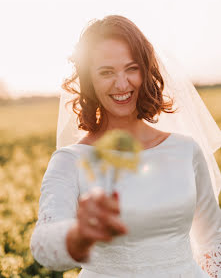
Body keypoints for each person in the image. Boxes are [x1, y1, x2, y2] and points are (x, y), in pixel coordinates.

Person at [30, 15, 221, 277]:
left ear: (146, 70)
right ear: (89, 80)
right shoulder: (69, 161)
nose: (122, 84)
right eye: (106, 72)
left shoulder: (186, 150)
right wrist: (79, 235)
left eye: (132, 68)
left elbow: (212, 238)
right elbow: (43, 244)